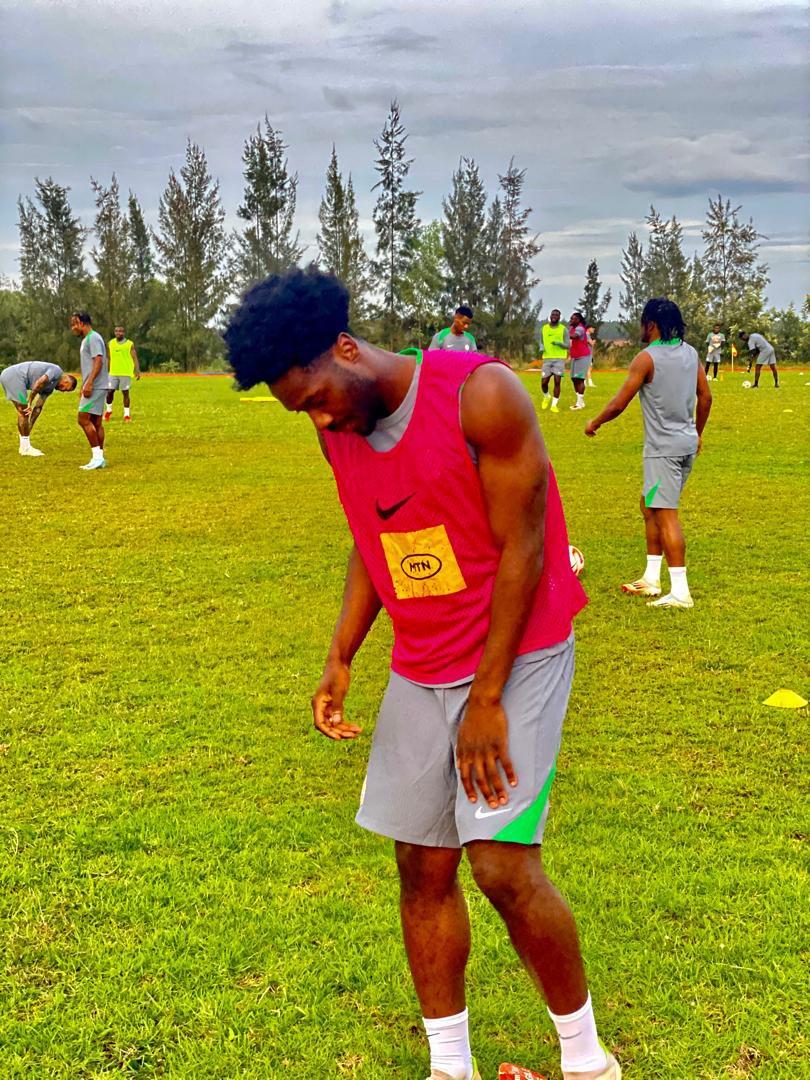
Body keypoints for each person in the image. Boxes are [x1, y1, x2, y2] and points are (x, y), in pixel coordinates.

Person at [225, 268, 620, 1080]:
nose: (320, 417)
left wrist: (485, 698)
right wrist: (341, 654)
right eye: (302, 410)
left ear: (344, 348)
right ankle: (450, 1066)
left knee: (502, 863)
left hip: (520, 651)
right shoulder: (333, 425)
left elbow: (526, 548)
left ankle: (587, 1062)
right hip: (422, 660)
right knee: (421, 862)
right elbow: (375, 538)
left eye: (316, 398)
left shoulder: (482, 394)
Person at [585, 298, 712, 610]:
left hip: (662, 452)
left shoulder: (646, 358)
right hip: (684, 446)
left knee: (666, 514)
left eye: (642, 322)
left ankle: (680, 592)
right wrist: (697, 432)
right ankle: (651, 578)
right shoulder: (691, 353)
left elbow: (618, 403)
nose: (640, 327)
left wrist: (594, 422)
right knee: (649, 505)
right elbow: (705, 396)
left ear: (651, 324)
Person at [0, 361, 77, 456]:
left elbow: (38, 407)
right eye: (65, 388)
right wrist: (29, 401)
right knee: (24, 411)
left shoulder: (49, 389)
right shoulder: (57, 371)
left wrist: (30, 425)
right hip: (14, 377)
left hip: (14, 379)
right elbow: (40, 382)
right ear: (66, 381)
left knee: (24, 412)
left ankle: (24, 447)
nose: (63, 391)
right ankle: (25, 448)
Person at [70, 311, 109, 470]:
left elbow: (99, 361)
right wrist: (84, 384)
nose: (72, 328)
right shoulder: (89, 338)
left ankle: (97, 457)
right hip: (97, 385)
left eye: (74, 324)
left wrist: (90, 383)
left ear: (81, 323)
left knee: (83, 418)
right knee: (95, 422)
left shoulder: (93, 338)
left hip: (96, 386)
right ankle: (99, 458)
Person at [105, 325, 140, 421]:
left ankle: (127, 414)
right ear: (114, 332)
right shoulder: (110, 343)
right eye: (116, 331)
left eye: (120, 331)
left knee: (125, 393)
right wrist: (106, 371)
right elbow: (108, 358)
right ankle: (108, 410)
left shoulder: (129, 344)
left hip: (125, 372)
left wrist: (137, 370)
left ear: (124, 333)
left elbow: (134, 357)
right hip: (113, 372)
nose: (118, 333)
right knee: (109, 392)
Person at [539, 309, 569, 413]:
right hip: (547, 359)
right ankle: (546, 397)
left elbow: (568, 345)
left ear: (559, 317)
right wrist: (541, 347)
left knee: (557, 381)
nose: (554, 316)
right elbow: (542, 341)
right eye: (553, 314)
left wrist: (559, 343)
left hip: (559, 359)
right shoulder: (544, 328)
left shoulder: (563, 329)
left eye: (556, 315)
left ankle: (554, 405)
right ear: (550, 316)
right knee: (544, 382)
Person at [568, 312, 590, 410]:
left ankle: (579, 403)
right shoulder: (572, 328)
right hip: (575, 356)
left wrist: (563, 334)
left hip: (583, 356)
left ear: (578, 320)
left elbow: (575, 336)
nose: (571, 320)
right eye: (571, 318)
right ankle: (580, 401)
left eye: (573, 319)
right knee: (574, 378)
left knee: (580, 379)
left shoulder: (580, 328)